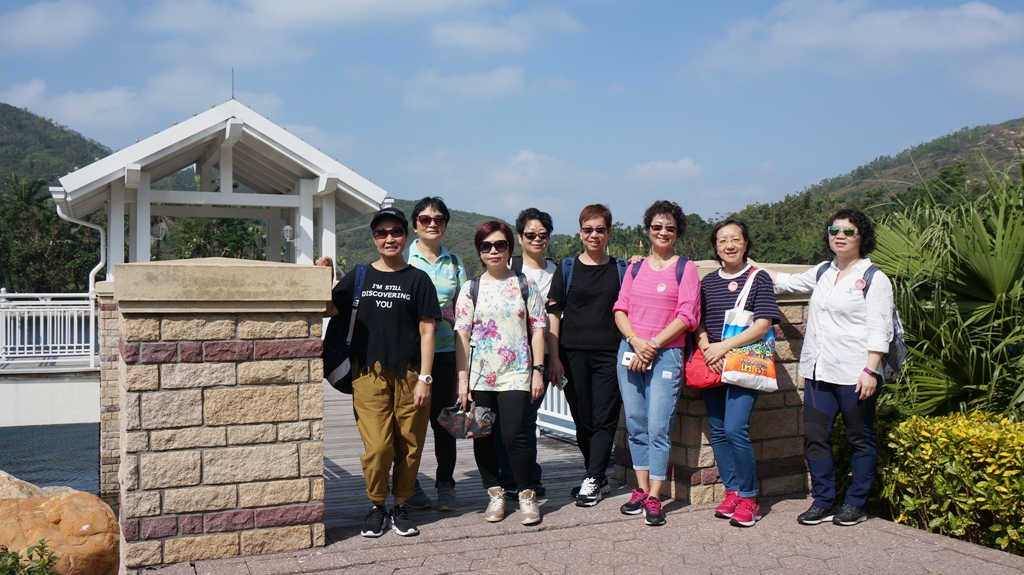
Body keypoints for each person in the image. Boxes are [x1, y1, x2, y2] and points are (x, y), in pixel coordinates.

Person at [760, 208, 893, 527]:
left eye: (848, 232)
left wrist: (870, 370)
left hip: (855, 374)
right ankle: (823, 501)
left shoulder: (874, 278)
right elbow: (787, 282)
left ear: (862, 237)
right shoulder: (823, 271)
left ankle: (856, 503)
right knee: (815, 436)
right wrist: (745, 266)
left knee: (859, 439)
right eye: (834, 231)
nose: (840, 237)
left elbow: (881, 329)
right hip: (819, 372)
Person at [326, 207, 441, 538]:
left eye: (395, 232)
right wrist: (324, 276)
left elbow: (427, 332)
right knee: (378, 446)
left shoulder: (418, 280)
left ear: (406, 235)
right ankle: (377, 505)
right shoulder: (360, 276)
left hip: (411, 375)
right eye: (381, 232)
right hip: (368, 374)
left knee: (409, 444)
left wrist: (425, 379)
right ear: (374, 238)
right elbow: (329, 308)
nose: (389, 238)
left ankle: (400, 505)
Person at [612, 200, 700, 527]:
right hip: (631, 351)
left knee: (658, 427)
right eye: (657, 226)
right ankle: (641, 489)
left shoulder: (685, 269)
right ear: (648, 229)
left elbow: (687, 315)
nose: (663, 232)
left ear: (678, 232)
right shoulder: (635, 268)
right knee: (636, 424)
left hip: (665, 354)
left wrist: (653, 345)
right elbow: (620, 308)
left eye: (670, 228)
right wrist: (636, 341)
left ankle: (655, 496)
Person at [455, 221, 547, 525]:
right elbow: (462, 336)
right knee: (482, 436)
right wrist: (463, 380)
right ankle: (495, 494)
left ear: (510, 247)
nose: (493, 251)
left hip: (516, 372)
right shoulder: (470, 289)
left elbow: (538, 330)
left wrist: (538, 371)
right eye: (486, 246)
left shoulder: (525, 284)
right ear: (479, 250)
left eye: (500, 245)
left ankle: (526, 496)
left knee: (513, 435)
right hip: (480, 375)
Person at [693, 217, 780, 527]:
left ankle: (749, 497)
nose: (729, 245)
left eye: (735, 239)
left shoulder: (759, 278)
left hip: (743, 361)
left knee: (734, 428)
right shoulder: (708, 282)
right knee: (717, 430)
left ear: (745, 244)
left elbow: (763, 324)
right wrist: (708, 349)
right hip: (713, 361)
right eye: (722, 240)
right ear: (715, 247)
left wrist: (724, 347)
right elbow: (698, 322)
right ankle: (732, 492)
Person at [546, 204, 627, 507]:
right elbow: (553, 314)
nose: (594, 235)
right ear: (580, 233)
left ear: (609, 233)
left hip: (610, 353)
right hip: (572, 354)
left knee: (604, 418)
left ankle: (592, 477)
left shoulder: (621, 269)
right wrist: (554, 358)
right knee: (582, 419)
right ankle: (598, 476)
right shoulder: (567, 268)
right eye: (588, 229)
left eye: (600, 230)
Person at [405, 197, 468, 512]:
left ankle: (446, 483)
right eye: (426, 219)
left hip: (445, 354)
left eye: (439, 219)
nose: (433, 224)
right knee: (410, 425)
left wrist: (463, 372)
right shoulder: (404, 260)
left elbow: (466, 315)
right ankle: (409, 483)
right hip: (409, 357)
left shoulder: (455, 263)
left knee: (445, 426)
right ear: (415, 224)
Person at [495, 208, 557, 500]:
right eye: (530, 235)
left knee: (526, 419)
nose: (537, 240)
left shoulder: (557, 271)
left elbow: (555, 316)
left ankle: (528, 477)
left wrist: (552, 360)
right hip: (507, 356)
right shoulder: (509, 266)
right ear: (519, 237)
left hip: (539, 356)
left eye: (543, 235)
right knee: (507, 421)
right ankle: (510, 477)